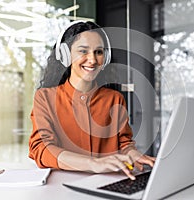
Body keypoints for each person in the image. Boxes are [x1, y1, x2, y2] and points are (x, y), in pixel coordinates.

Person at [29, 21, 155, 180]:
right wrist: (94, 164)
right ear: (65, 55)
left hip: (106, 183)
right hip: (61, 187)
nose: (93, 60)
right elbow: (42, 149)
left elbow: (124, 144)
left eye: (99, 52)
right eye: (83, 51)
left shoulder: (114, 99)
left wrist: (133, 154)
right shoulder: (45, 98)